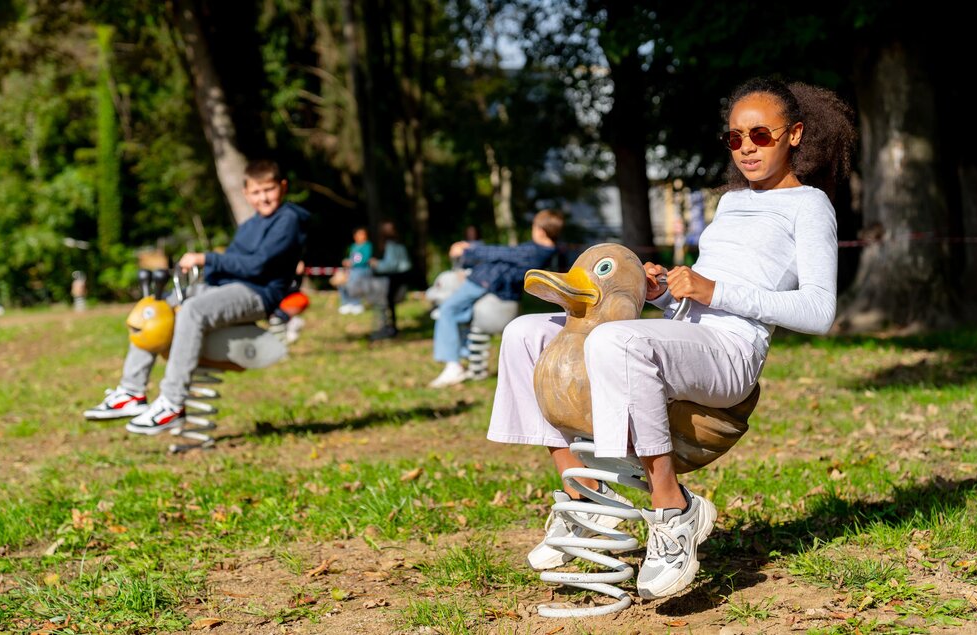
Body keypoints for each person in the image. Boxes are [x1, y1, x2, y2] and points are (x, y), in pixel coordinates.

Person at [485, 77, 856, 600]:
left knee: (618, 342)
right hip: (687, 335)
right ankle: (583, 494)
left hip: (732, 354)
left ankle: (673, 510)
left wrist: (714, 289)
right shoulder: (731, 203)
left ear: (793, 135)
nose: (746, 148)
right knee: (525, 333)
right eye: (735, 138)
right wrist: (664, 294)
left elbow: (819, 311)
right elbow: (696, 301)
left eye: (760, 135)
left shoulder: (809, 205)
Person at [84, 159, 311, 433]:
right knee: (155, 305)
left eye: (269, 190)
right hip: (228, 287)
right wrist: (206, 273)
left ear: (282, 187)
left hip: (258, 293)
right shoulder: (251, 224)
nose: (263, 198)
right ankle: (131, 392)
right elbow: (233, 262)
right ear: (246, 194)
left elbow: (257, 266)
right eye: (256, 192)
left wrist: (207, 258)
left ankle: (173, 402)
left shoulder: (288, 220)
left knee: (193, 311)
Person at [428, 210, 564, 388]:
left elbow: (500, 253)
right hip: (488, 284)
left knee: (447, 310)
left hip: (484, 283)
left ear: (540, 230)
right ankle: (463, 353)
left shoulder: (535, 251)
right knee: (460, 315)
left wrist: (468, 249)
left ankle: (453, 365)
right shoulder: (542, 251)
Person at [363, 220, 412, 341]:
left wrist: (376, 264)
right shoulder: (398, 243)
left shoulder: (390, 245)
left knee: (386, 301)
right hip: (402, 274)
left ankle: (389, 327)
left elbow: (390, 264)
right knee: (389, 301)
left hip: (397, 275)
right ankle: (391, 326)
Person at [338, 227, 372, 315]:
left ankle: (356, 303)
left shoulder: (367, 246)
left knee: (354, 283)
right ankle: (346, 302)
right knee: (341, 283)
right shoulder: (353, 246)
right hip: (352, 270)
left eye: (362, 234)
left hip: (362, 270)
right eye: (359, 234)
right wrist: (347, 262)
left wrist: (352, 263)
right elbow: (352, 257)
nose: (361, 236)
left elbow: (365, 259)